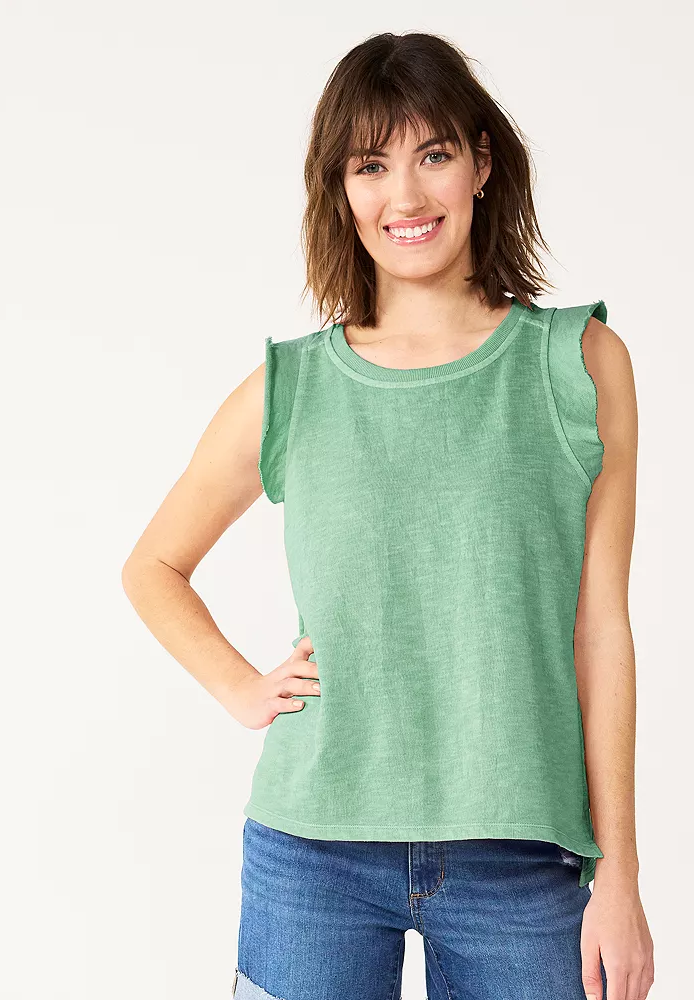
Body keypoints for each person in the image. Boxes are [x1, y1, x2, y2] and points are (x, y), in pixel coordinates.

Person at [121, 30, 652, 1000]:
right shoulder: (290, 387)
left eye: (432, 154)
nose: (404, 196)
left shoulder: (578, 364)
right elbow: (153, 565)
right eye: (370, 165)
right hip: (311, 851)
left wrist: (619, 872)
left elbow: (601, 630)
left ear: (481, 164)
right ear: (340, 189)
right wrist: (241, 688)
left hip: (521, 856)